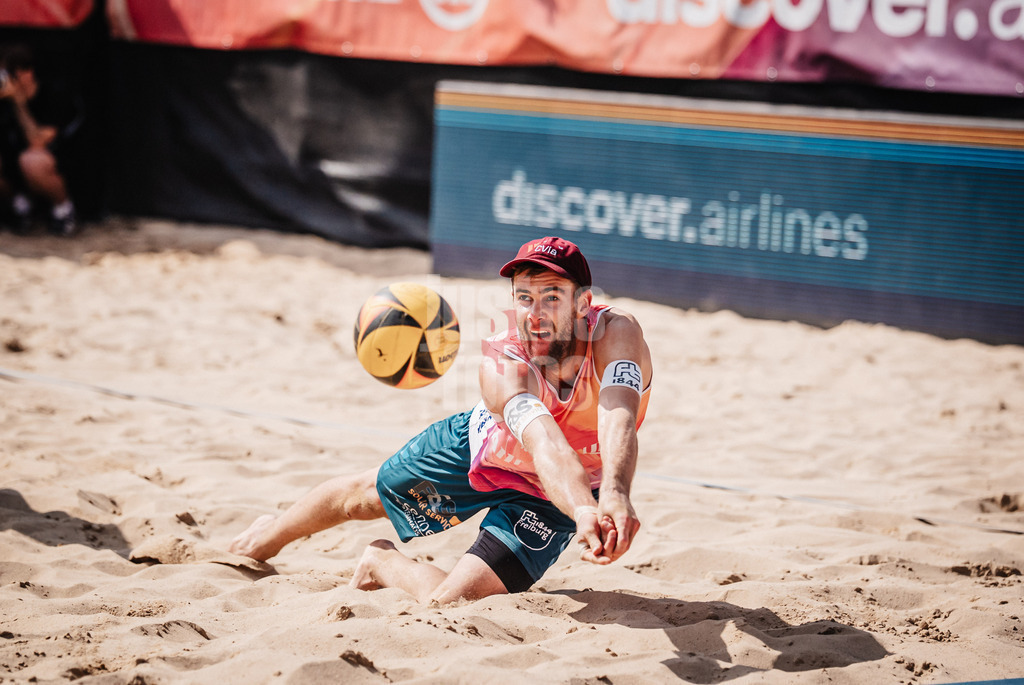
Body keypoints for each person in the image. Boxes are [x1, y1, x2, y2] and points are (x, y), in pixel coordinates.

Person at [230, 236, 654, 604]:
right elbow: (546, 443)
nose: (535, 313)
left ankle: (380, 561)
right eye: (524, 298)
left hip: (549, 494)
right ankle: (268, 535)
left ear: (583, 303)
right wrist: (584, 510)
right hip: (482, 453)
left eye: (552, 297)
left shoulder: (617, 333)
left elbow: (618, 413)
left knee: (452, 601)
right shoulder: (503, 363)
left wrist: (614, 493)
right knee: (361, 499)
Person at [0, 44, 79, 236]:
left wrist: (18, 103)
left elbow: (37, 141)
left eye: (8, 75)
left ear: (26, 73)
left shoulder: (53, 95)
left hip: (49, 165)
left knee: (31, 161)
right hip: (12, 168)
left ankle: (63, 210)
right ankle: (19, 205)